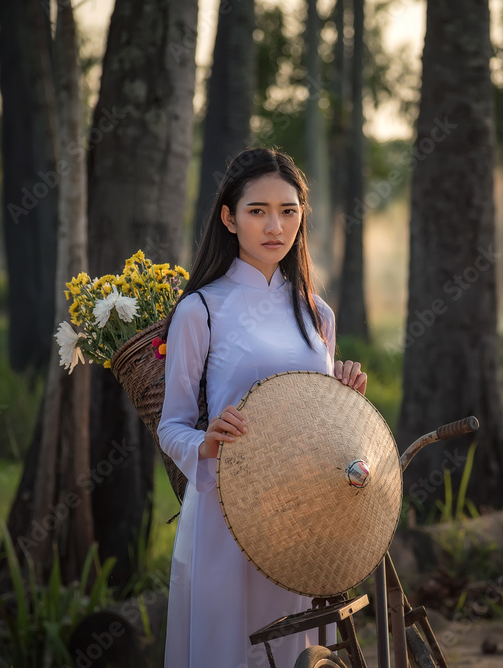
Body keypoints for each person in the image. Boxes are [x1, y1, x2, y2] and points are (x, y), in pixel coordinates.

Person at [157, 147, 368, 667]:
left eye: (288, 210)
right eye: (258, 211)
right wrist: (206, 441)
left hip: (300, 516)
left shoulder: (317, 313)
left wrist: (343, 398)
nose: (275, 225)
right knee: (229, 649)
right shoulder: (200, 309)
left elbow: (315, 418)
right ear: (229, 218)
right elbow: (172, 425)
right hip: (228, 514)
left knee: (294, 649)